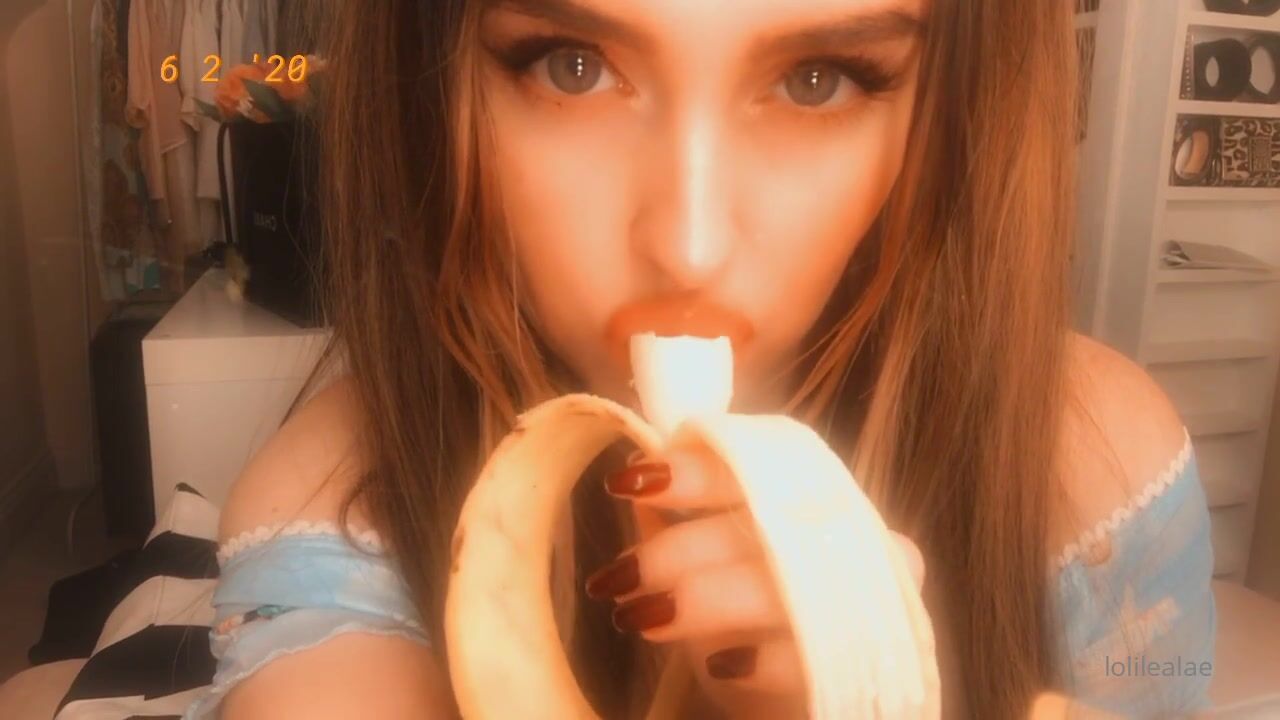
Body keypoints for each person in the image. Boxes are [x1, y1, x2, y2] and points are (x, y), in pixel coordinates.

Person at [184, 0, 1217, 718]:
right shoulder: (331, 512)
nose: (688, 244)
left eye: (817, 79)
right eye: (569, 65)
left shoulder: (1096, 470)